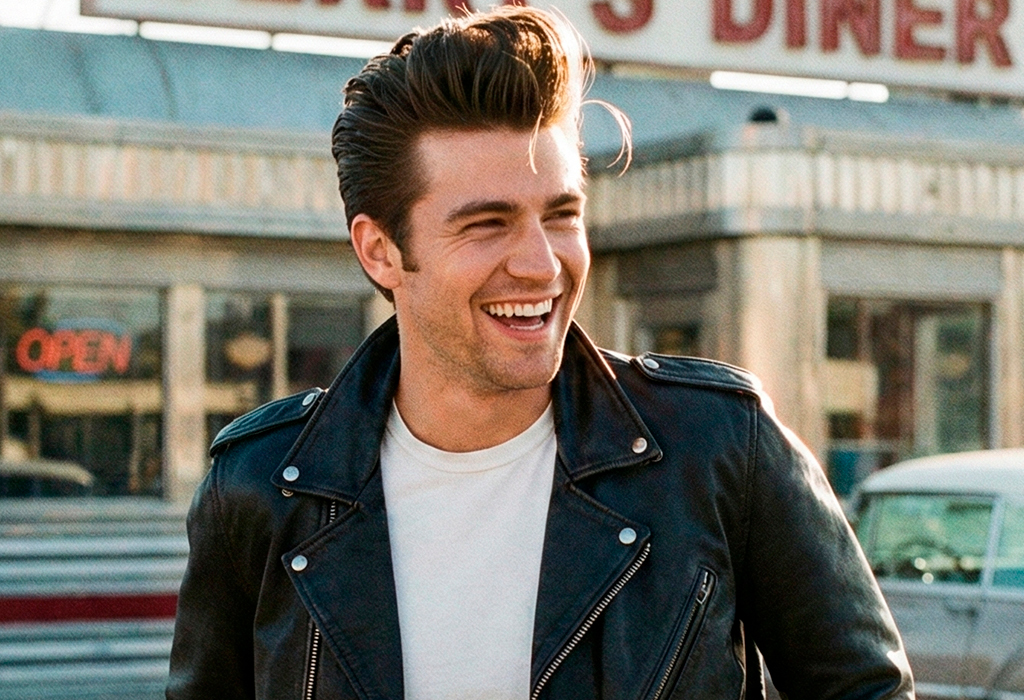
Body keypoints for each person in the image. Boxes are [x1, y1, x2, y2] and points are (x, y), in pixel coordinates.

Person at [166, 6, 914, 700]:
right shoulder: (262, 488)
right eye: (487, 225)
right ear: (381, 250)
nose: (541, 264)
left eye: (561, 215)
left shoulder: (718, 447)